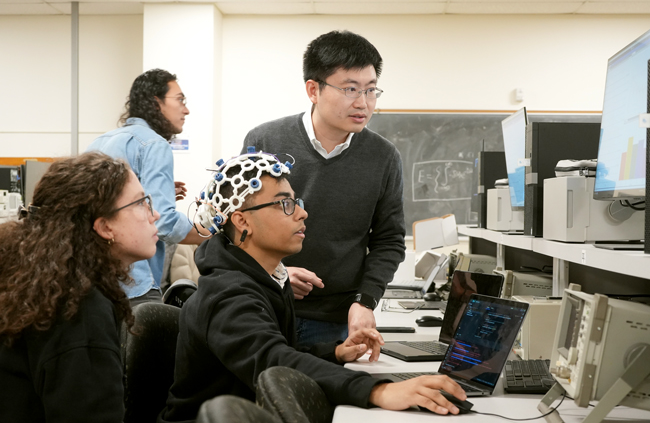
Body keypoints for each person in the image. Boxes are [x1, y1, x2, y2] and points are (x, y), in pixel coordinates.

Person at [158, 150, 466, 423]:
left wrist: (336, 352)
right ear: (242, 222)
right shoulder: (228, 296)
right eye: (285, 204)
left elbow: (283, 351)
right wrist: (380, 390)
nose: (303, 213)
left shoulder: (263, 277)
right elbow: (273, 362)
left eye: (297, 202)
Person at [242, 30, 406, 348]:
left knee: (331, 397)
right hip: (265, 308)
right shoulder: (265, 142)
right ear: (313, 90)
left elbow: (388, 240)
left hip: (336, 321)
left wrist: (365, 300)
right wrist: (277, 271)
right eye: (350, 89)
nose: (363, 103)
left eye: (372, 91)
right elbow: (239, 225)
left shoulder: (383, 157)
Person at [0, 152, 161, 423]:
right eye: (141, 202)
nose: (154, 214)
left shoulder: (38, 284)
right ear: (104, 227)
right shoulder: (80, 312)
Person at [88, 68, 208, 306]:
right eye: (180, 100)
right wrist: (212, 233)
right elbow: (164, 224)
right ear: (156, 103)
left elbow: (102, 205)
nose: (186, 110)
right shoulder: (154, 144)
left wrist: (149, 192)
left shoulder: (100, 141)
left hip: (95, 278)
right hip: (135, 283)